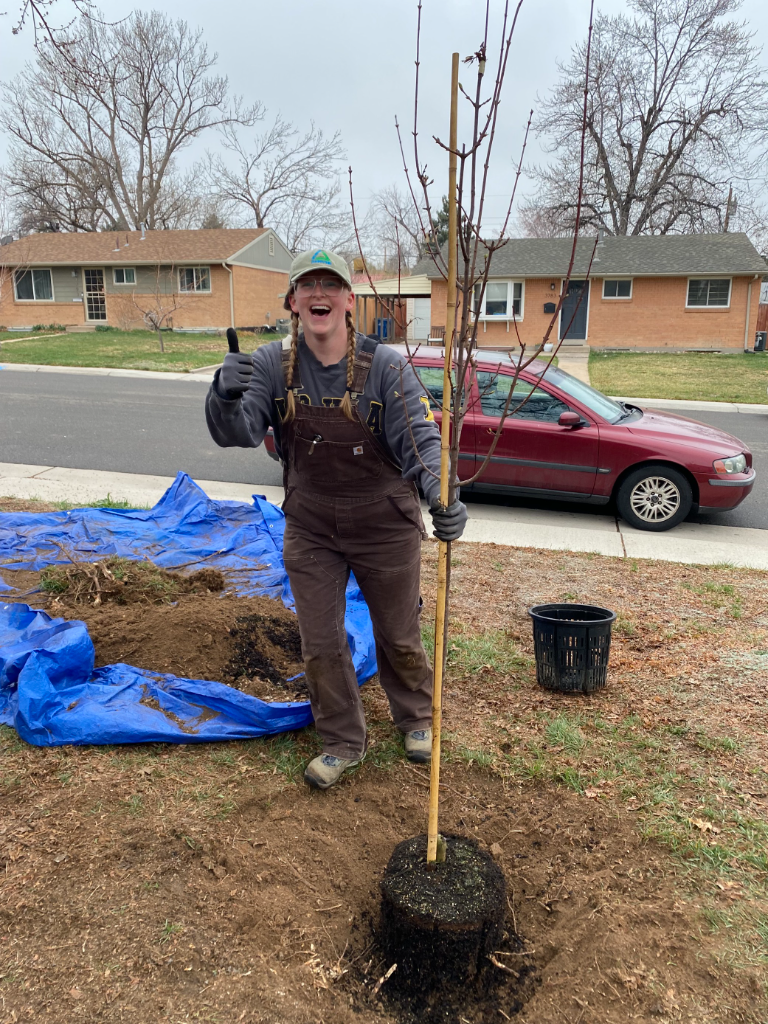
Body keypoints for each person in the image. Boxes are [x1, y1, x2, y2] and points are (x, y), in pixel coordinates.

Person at [205, 248, 467, 789]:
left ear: (350, 300)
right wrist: (225, 396)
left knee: (398, 634)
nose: (319, 294)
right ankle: (343, 738)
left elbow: (420, 439)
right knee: (321, 642)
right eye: (308, 285)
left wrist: (442, 493)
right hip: (312, 527)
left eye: (331, 285)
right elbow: (239, 430)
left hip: (384, 526)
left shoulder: (386, 367)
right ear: (292, 301)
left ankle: (416, 719)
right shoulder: (270, 364)